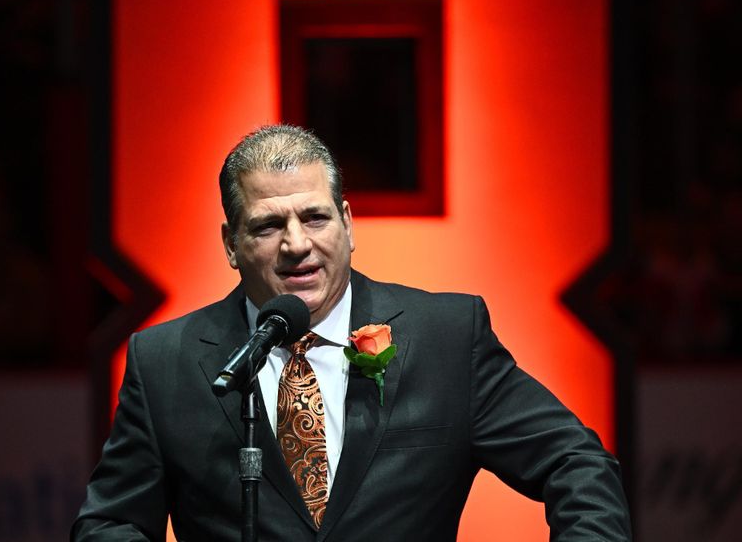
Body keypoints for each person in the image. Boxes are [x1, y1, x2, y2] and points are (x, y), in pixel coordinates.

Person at [72, 124, 632, 541]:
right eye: (268, 226)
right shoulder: (165, 361)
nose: (296, 244)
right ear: (229, 244)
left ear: (347, 221)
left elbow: (574, 463)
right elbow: (110, 523)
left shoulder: (447, 338)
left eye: (315, 217)